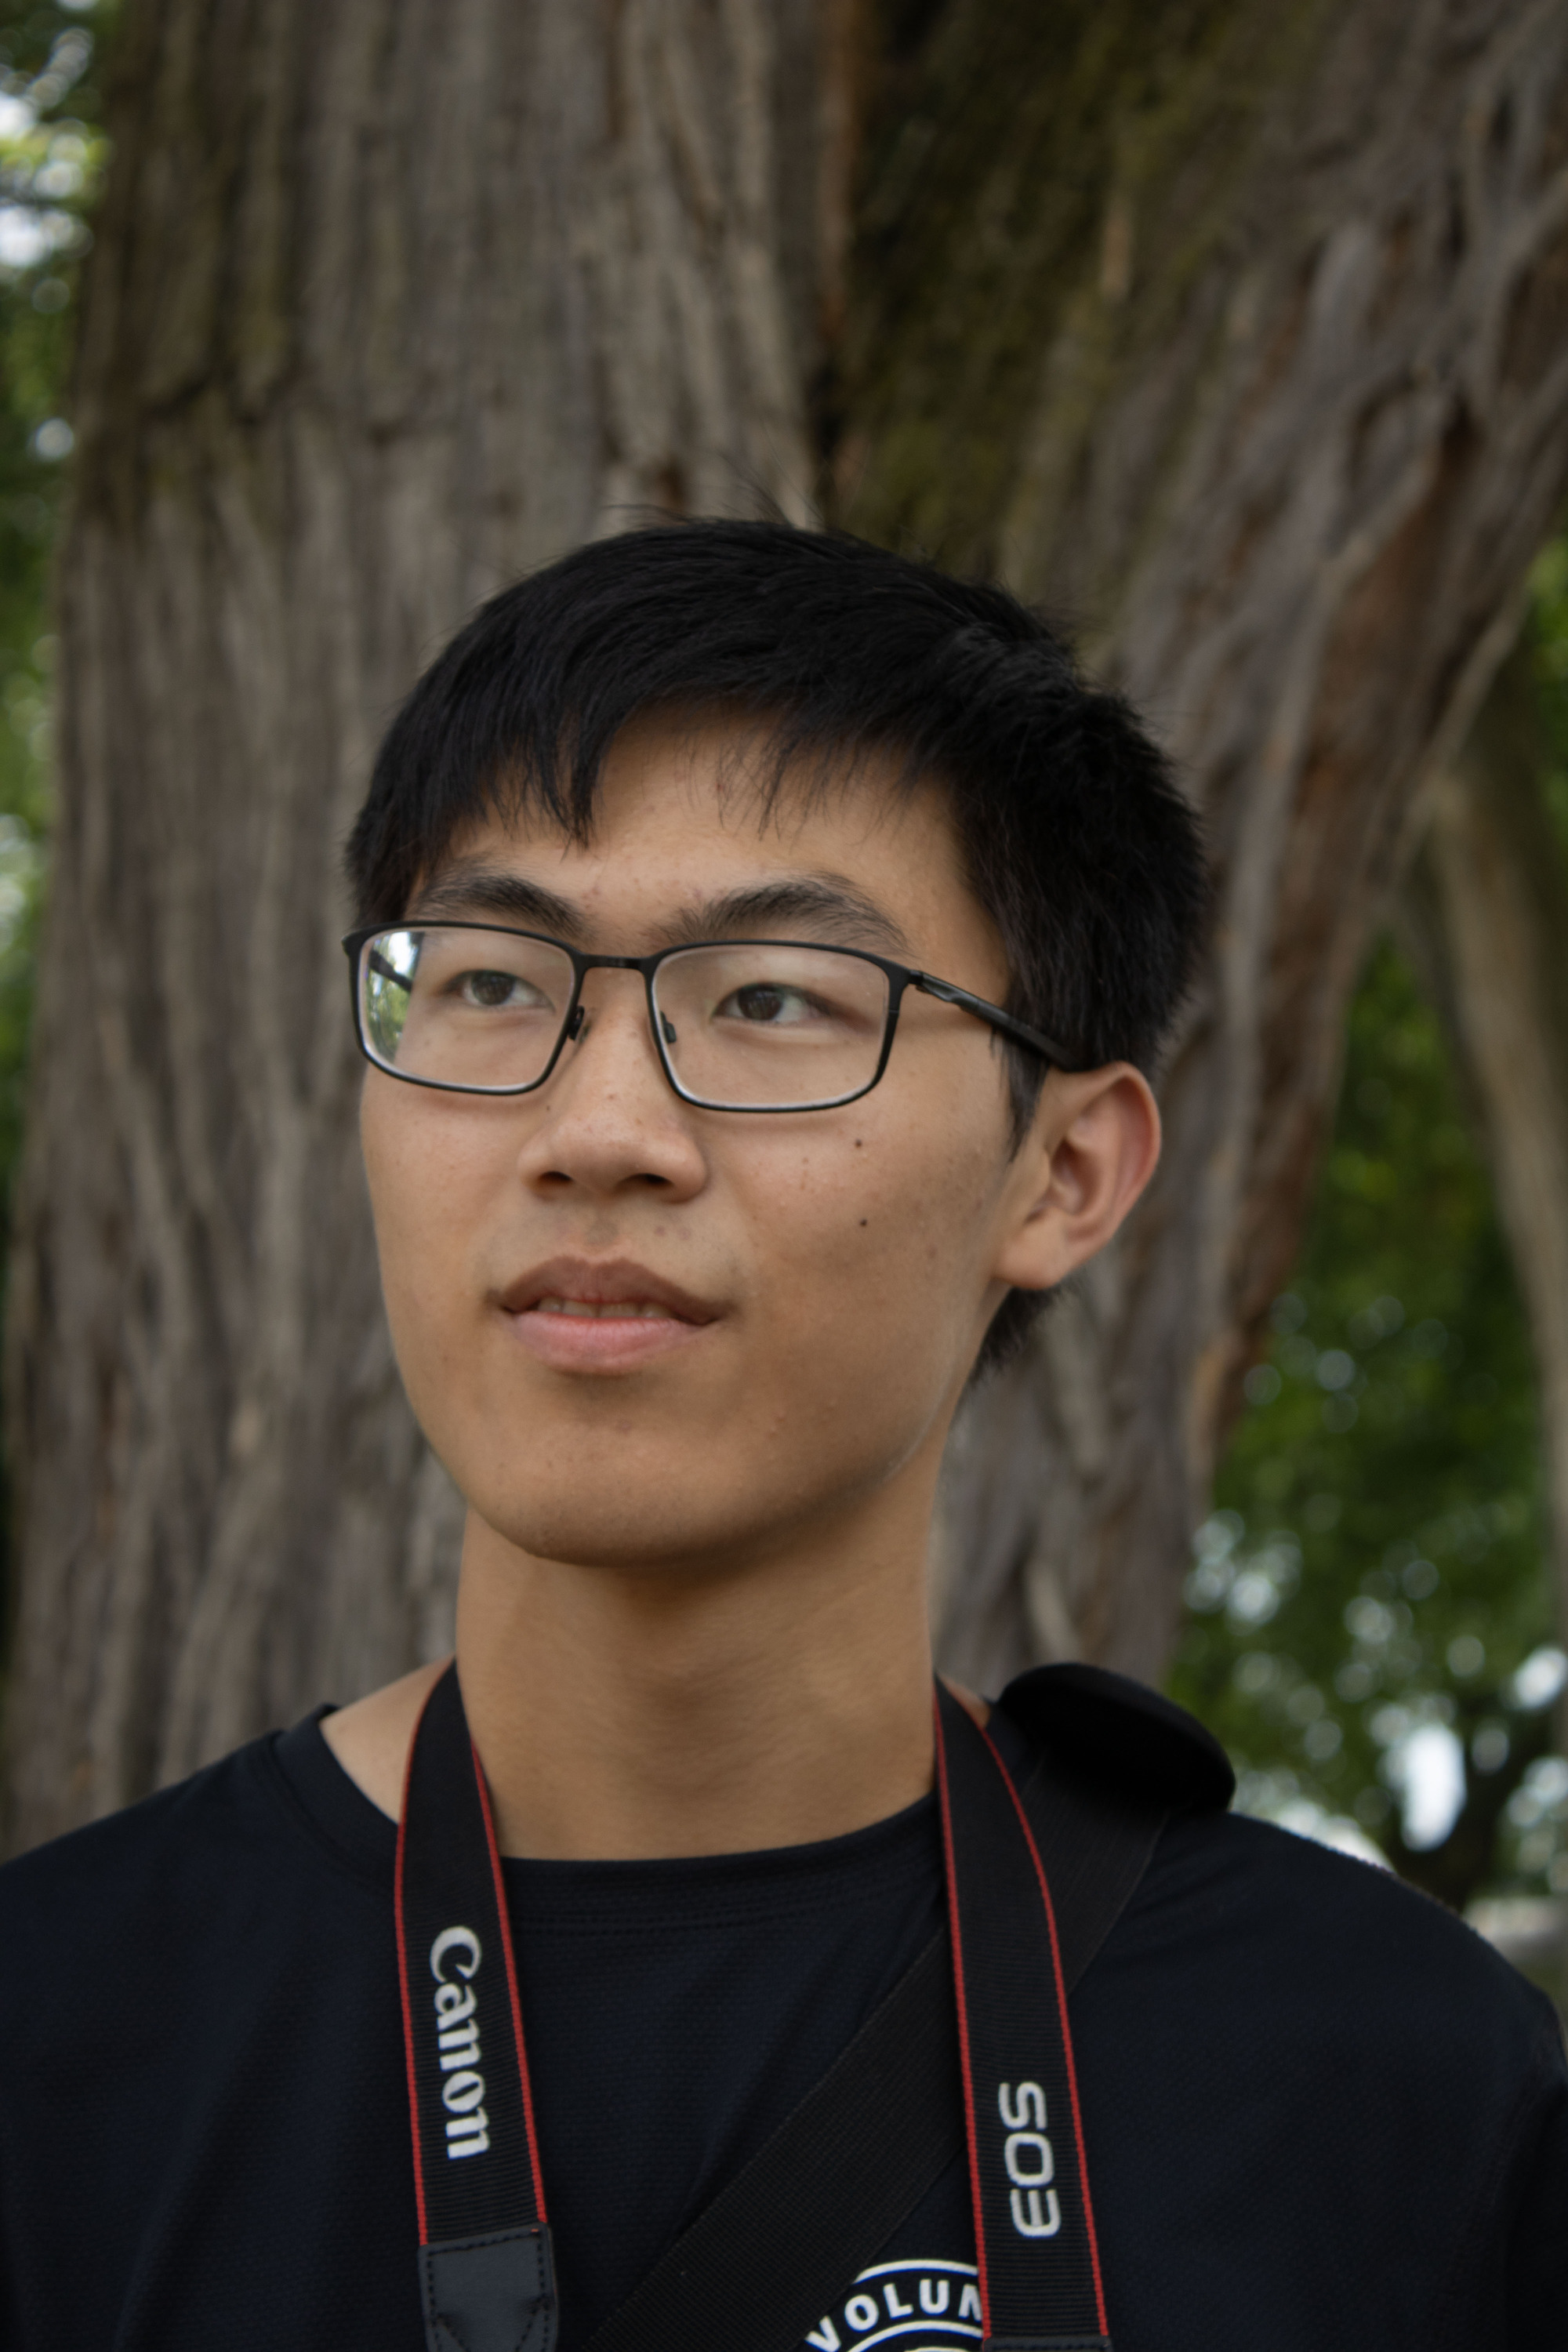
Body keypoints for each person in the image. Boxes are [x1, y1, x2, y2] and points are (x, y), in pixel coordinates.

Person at [0, 521, 1563, 2352]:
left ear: (1060, 1175)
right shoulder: (54, 2042)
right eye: (494, 980)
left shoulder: (1396, 2090)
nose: (598, 1129)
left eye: (768, 1004)